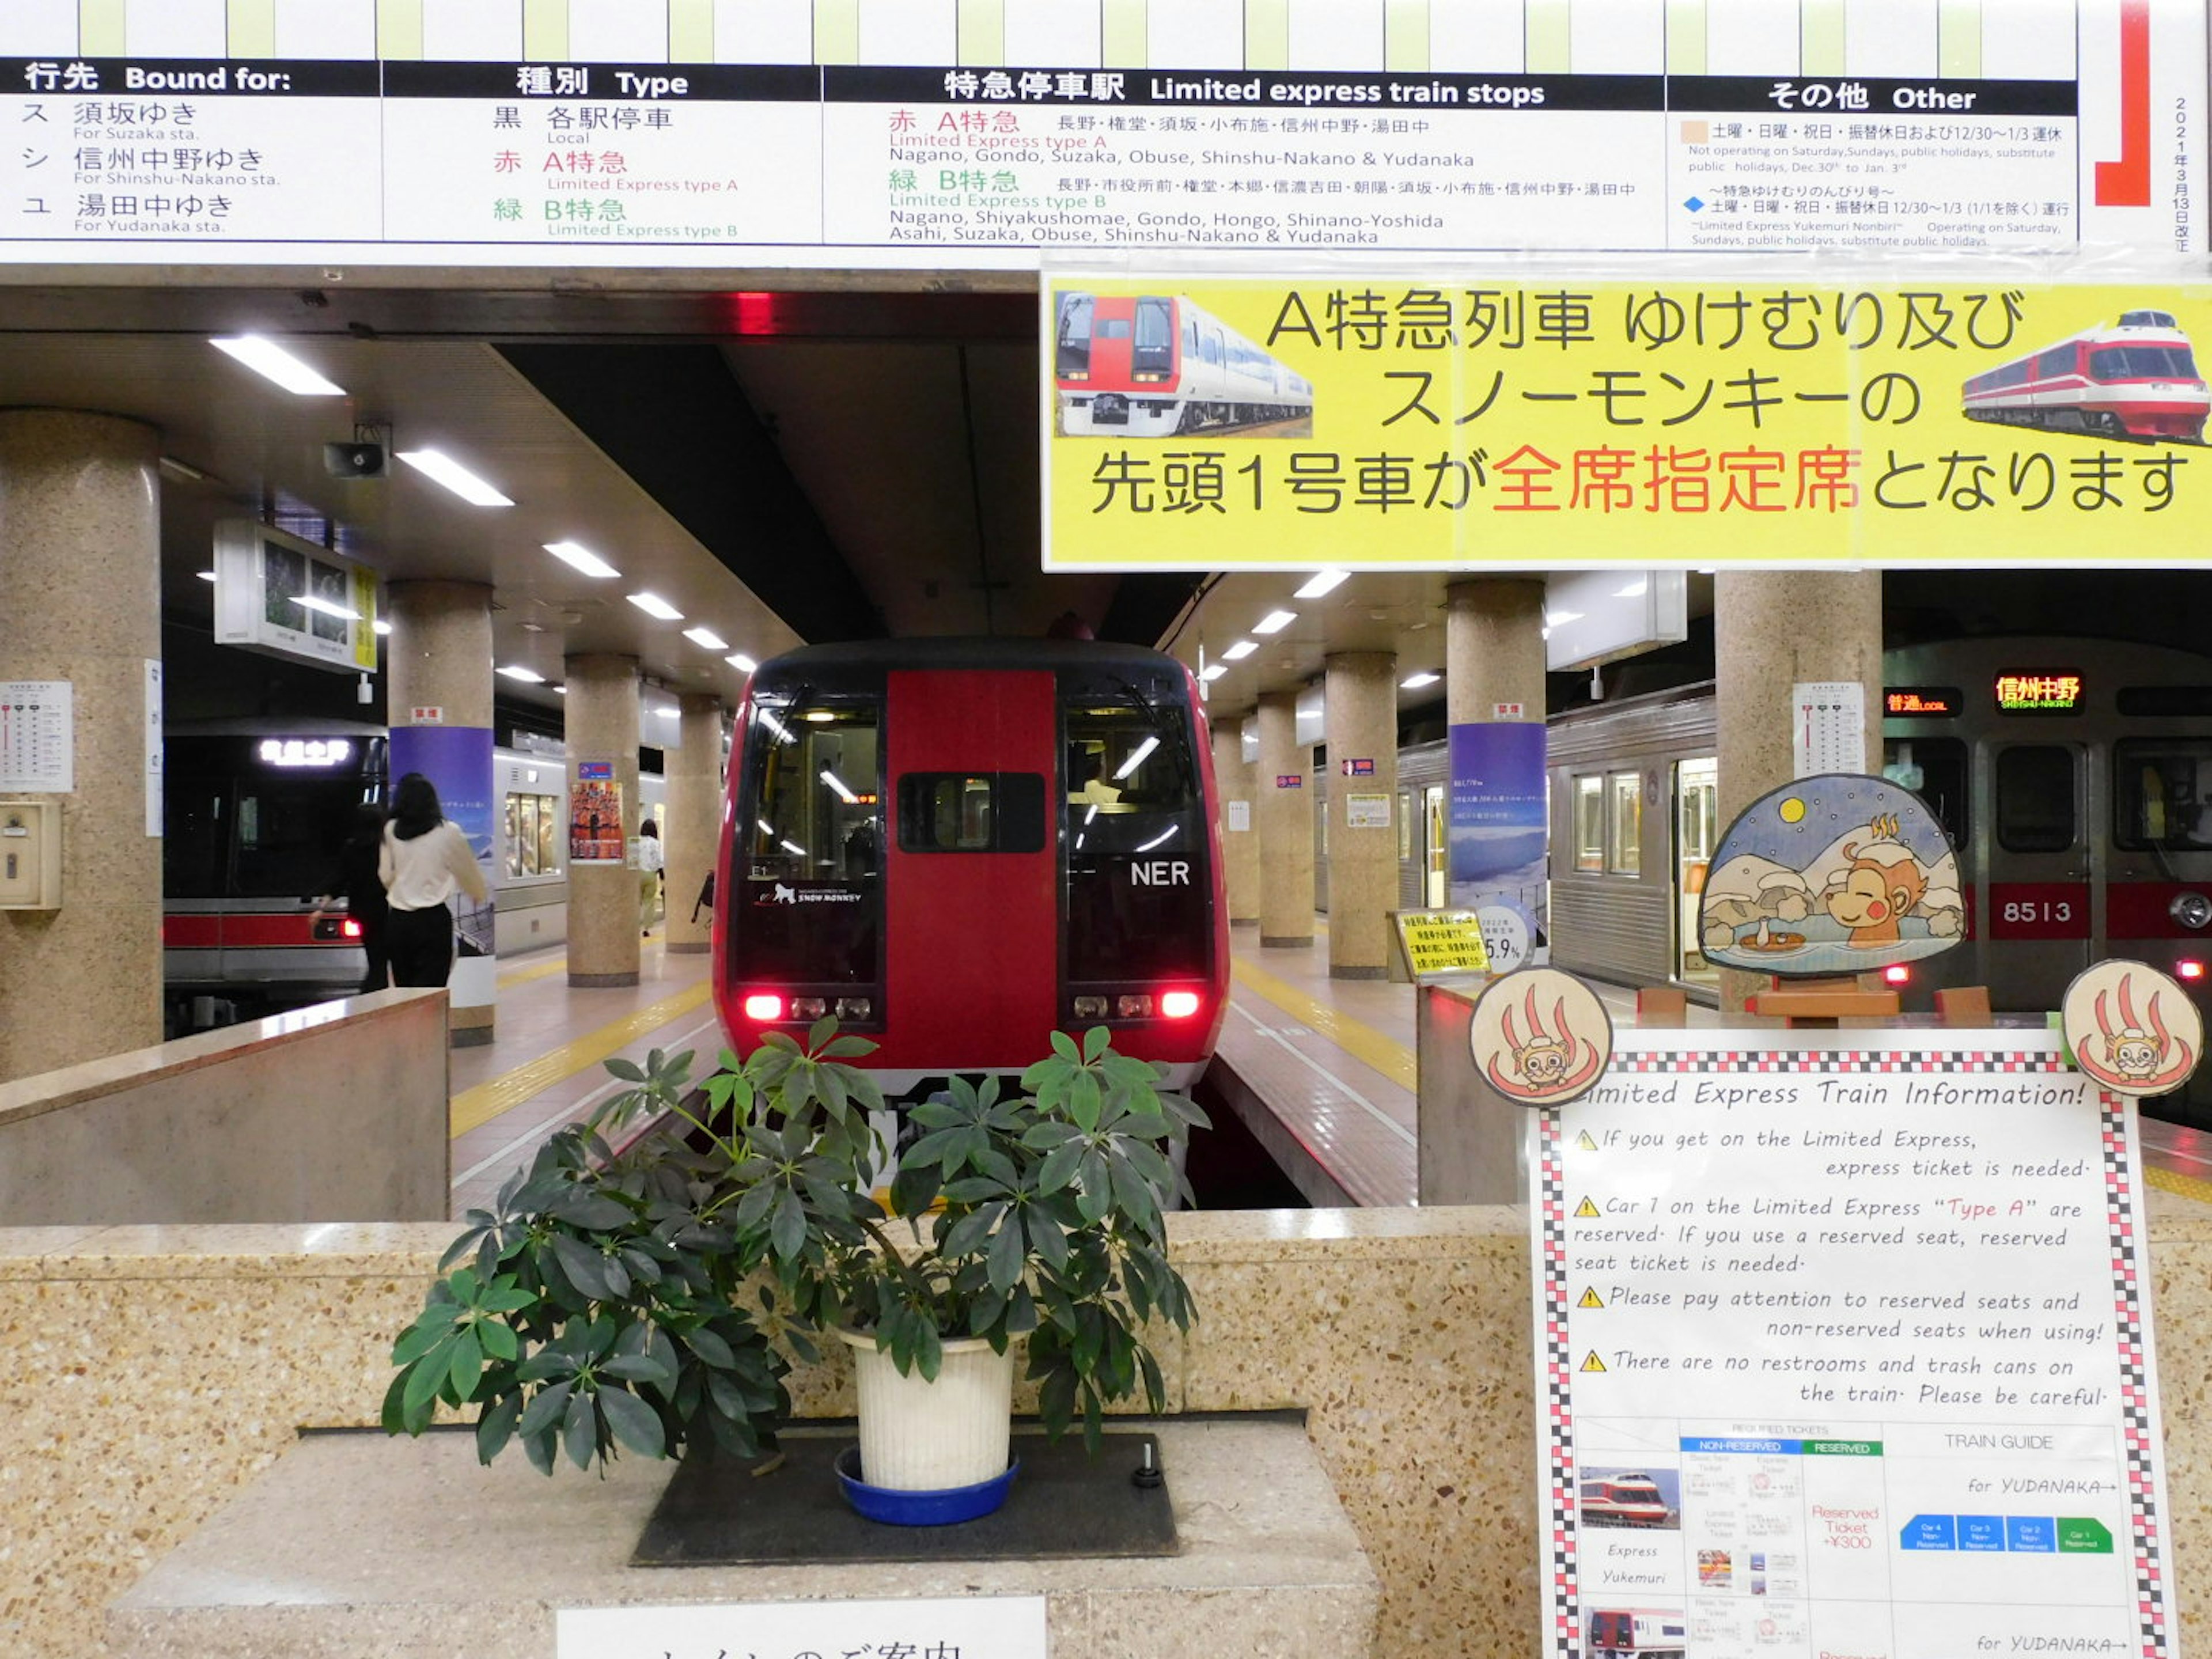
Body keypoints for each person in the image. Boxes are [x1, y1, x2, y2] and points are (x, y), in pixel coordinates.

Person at [378, 772, 490, 988]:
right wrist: (477, 892)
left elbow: (384, 875)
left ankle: (410, 1023)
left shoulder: (390, 830)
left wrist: (403, 890)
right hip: (433, 921)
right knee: (432, 988)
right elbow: (467, 871)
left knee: (405, 989)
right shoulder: (449, 831)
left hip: (398, 923)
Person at [312, 802, 391, 994]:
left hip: (362, 914)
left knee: (375, 961)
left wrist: (321, 908)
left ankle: (371, 995)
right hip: (387, 912)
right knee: (385, 963)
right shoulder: (388, 849)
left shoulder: (352, 848)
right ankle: (375, 999)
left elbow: (338, 880)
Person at [638, 817, 665, 935]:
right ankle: (646, 929)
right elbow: (660, 860)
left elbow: (631, 860)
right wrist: (662, 875)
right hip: (651, 875)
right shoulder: (656, 843)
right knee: (648, 902)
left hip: (636, 875)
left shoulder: (635, 841)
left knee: (636, 901)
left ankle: (634, 925)